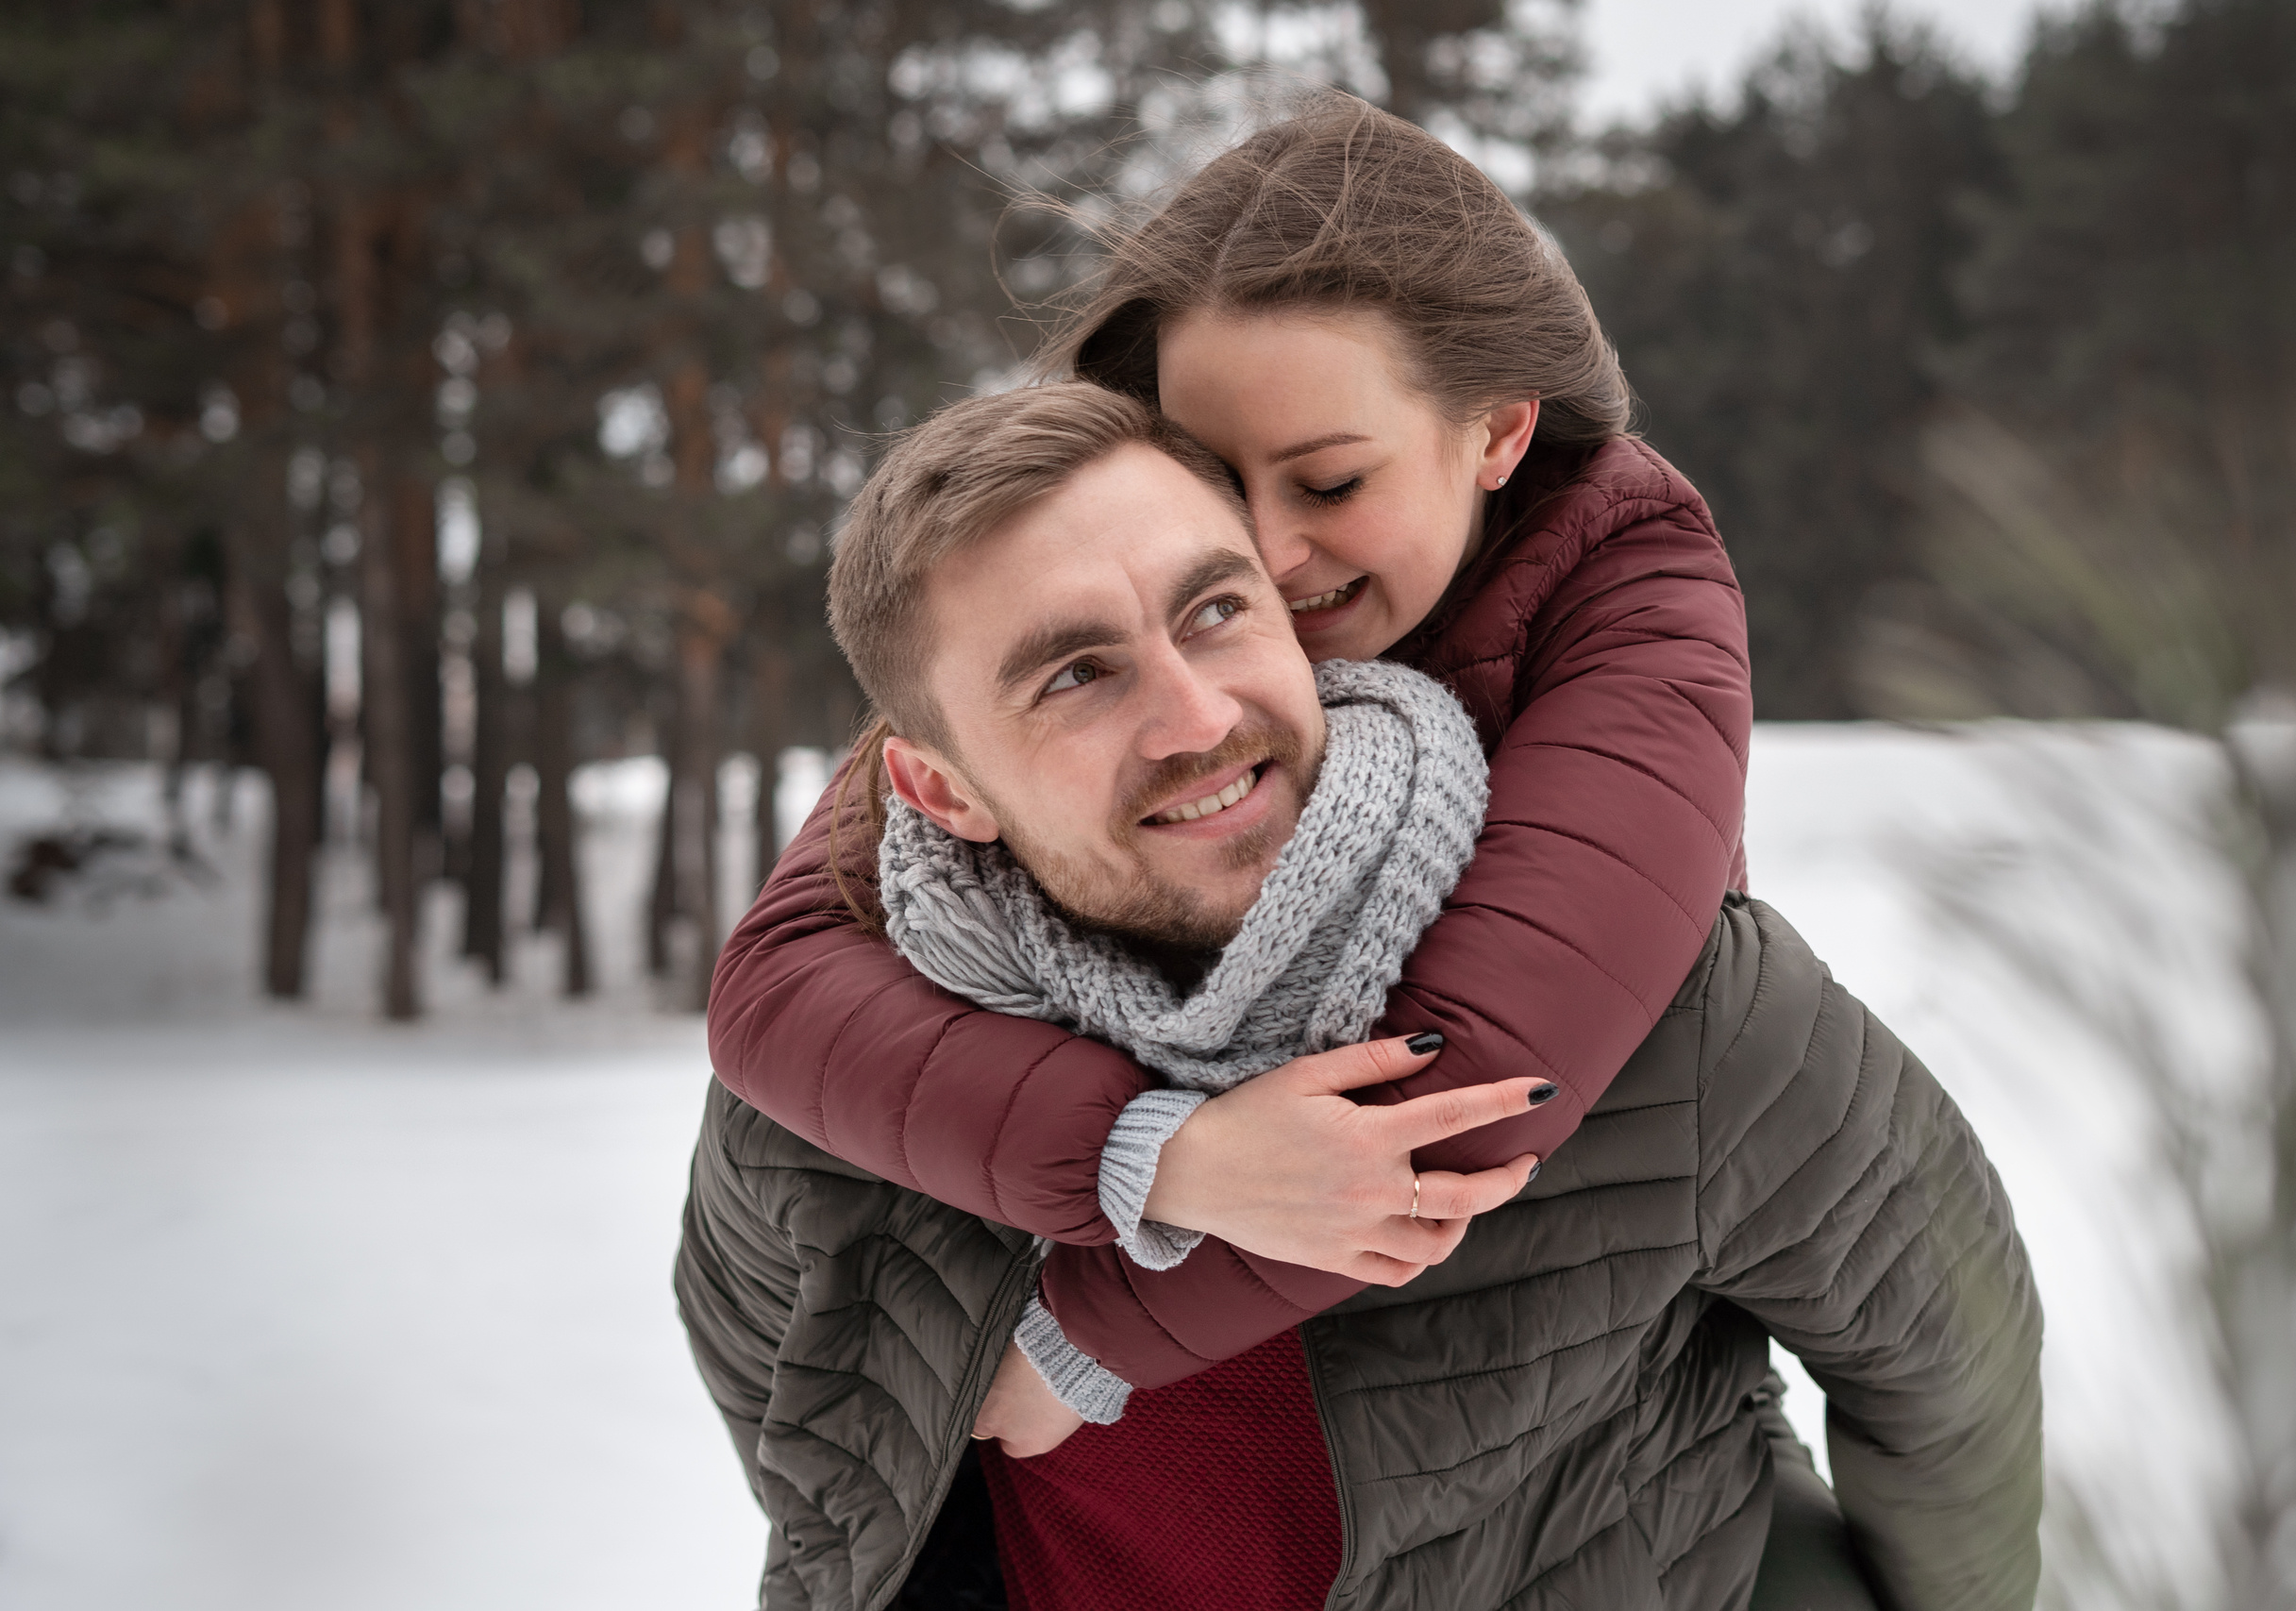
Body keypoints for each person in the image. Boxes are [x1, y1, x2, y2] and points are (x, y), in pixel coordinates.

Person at [678, 381, 2042, 1611]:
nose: (1199, 718)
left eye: (1215, 611)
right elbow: (816, 1438)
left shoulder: (1660, 1004)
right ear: (940, 788)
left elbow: (1949, 1362)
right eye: (1077, 674)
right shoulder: (838, 1101)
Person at [711, 91, 1749, 1434]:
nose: (1263, 550)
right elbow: (779, 980)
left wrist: (1082, 1346)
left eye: (1330, 484)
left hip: (1546, 1386)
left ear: (1497, 429)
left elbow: (1482, 1074)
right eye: (1210, 471)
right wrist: (1156, 1155)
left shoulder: (1640, 595)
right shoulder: (1124, 594)